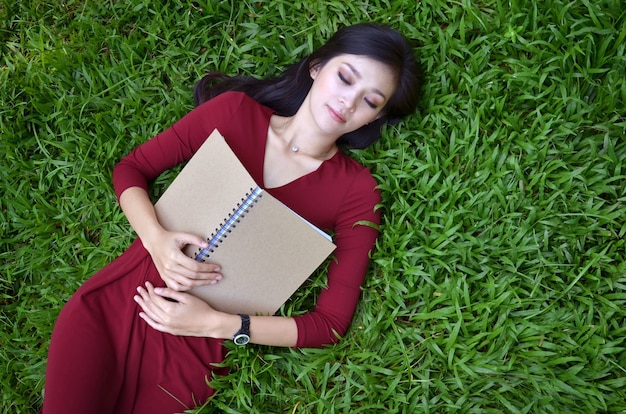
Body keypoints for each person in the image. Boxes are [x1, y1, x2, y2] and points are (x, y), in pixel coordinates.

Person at [41, 22, 423, 413]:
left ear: (374, 119)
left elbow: (329, 324)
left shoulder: (356, 191)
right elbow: (132, 169)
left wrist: (220, 326)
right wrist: (155, 239)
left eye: (370, 101)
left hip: (190, 354)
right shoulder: (234, 112)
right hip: (122, 300)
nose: (348, 103)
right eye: (344, 78)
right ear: (316, 66)